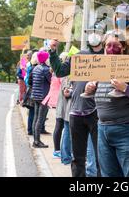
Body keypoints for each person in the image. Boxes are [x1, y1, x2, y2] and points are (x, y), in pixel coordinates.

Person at [83, 30, 129, 177]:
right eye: (108, 45)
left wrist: (126, 88)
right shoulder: (100, 66)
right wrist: (89, 90)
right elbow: (101, 95)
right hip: (103, 130)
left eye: (116, 45)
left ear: (123, 47)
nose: (111, 49)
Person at [49, 23, 104, 177]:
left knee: (101, 157)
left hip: (98, 113)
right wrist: (53, 51)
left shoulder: (108, 56)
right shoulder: (79, 56)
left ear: (103, 35)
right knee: (78, 157)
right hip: (77, 112)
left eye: (97, 32)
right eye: (90, 32)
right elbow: (60, 71)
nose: (93, 35)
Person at [29, 51, 52, 148]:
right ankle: (37, 141)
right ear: (46, 59)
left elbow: (30, 81)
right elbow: (51, 81)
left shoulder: (35, 68)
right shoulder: (46, 69)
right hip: (43, 97)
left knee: (35, 118)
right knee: (40, 119)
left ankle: (35, 140)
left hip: (35, 96)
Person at [50, 52, 69, 158]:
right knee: (61, 126)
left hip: (61, 101)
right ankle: (59, 151)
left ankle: (58, 150)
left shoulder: (57, 71)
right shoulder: (63, 73)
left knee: (59, 126)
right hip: (63, 102)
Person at [23, 52, 39, 136]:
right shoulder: (36, 68)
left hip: (30, 91)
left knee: (32, 112)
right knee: (34, 112)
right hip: (35, 91)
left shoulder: (30, 67)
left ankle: (30, 129)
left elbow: (28, 81)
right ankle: (32, 130)